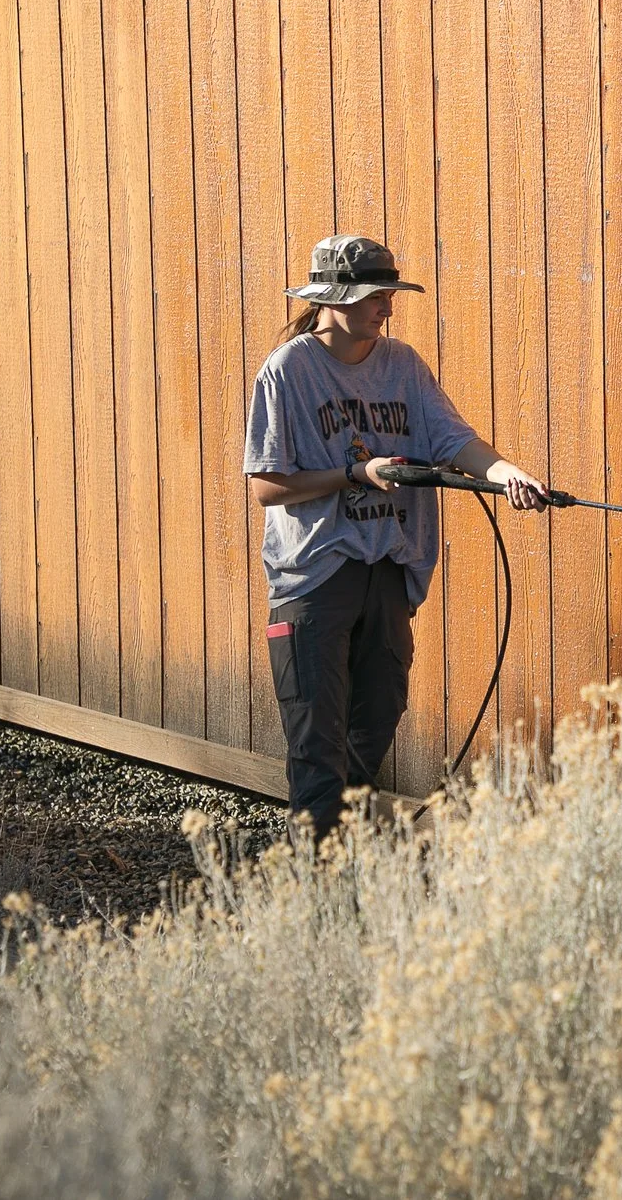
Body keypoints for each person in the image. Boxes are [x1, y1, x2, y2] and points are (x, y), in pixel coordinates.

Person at [244, 233, 548, 837]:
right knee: (316, 742)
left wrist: (507, 474)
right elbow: (269, 487)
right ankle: (318, 888)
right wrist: (357, 472)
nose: (386, 305)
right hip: (314, 581)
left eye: (388, 293)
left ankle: (348, 861)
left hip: (388, 574)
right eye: (374, 295)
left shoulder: (404, 366)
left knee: (374, 724)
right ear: (333, 299)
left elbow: (452, 440)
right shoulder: (289, 371)